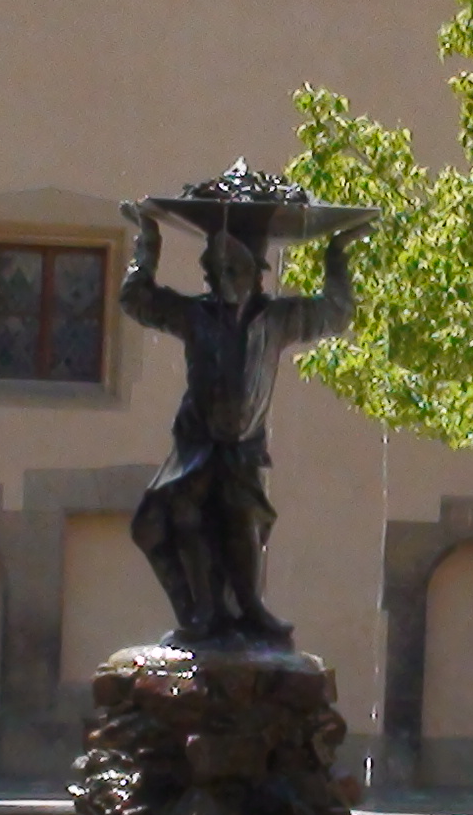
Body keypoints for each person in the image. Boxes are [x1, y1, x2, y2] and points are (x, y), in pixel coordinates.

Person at [117, 198, 357, 647]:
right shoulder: (194, 314)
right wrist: (147, 245)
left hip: (242, 443)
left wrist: (336, 256)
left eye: (233, 271)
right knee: (176, 514)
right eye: (215, 272)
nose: (222, 281)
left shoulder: (278, 318)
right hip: (196, 439)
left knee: (240, 515)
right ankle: (202, 612)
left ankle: (250, 607)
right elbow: (136, 299)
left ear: (255, 272)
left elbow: (336, 312)